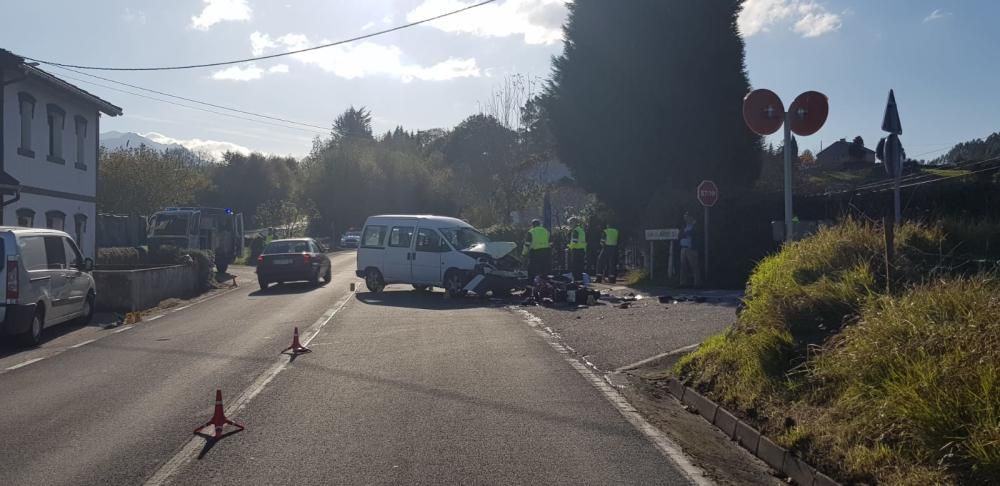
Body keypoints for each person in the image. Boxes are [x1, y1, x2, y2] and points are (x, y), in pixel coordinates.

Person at [679, 211, 703, 288]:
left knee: (694, 266)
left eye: (687, 217)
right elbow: (680, 234)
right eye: (685, 217)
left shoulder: (695, 226)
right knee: (683, 266)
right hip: (683, 248)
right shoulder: (684, 226)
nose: (685, 219)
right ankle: (683, 283)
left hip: (691, 248)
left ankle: (697, 283)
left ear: (690, 217)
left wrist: (689, 233)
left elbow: (696, 234)